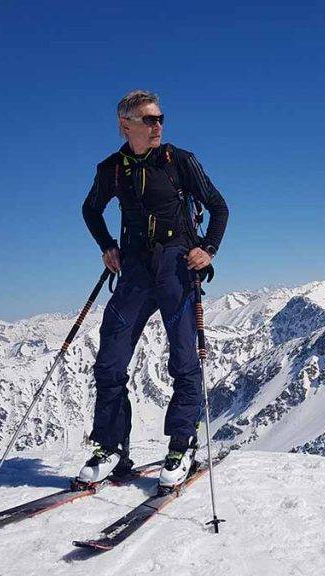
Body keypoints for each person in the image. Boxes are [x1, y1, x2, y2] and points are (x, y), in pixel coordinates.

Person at [78, 90, 228, 487]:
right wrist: (107, 245)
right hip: (134, 271)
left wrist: (207, 250)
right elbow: (90, 209)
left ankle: (182, 446)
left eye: (161, 117)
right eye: (149, 119)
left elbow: (219, 206)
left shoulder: (179, 161)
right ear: (125, 125)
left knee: (183, 360)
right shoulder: (111, 169)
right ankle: (111, 447)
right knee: (110, 361)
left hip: (177, 268)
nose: (158, 124)